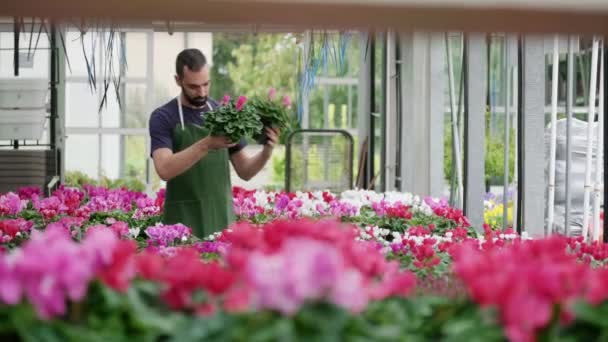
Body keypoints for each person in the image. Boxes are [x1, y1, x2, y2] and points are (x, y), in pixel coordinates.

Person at [149, 48, 279, 237]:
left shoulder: (225, 115)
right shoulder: (163, 117)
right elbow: (164, 169)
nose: (201, 92)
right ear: (178, 80)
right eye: (193, 86)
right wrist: (207, 144)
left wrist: (267, 151)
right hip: (181, 224)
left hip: (221, 220)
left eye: (206, 84)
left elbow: (245, 171)